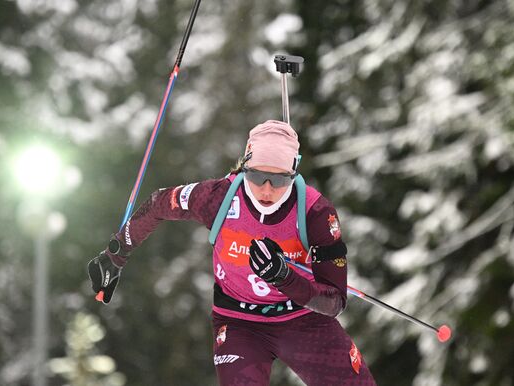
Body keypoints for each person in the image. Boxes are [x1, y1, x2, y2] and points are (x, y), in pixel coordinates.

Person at [88, 120, 376, 385]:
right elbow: (158, 203)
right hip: (239, 322)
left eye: (279, 180)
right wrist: (116, 254)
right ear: (245, 167)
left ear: (294, 172)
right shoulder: (217, 197)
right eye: (257, 176)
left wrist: (284, 277)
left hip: (302, 318)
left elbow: (334, 301)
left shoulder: (315, 212)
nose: (266, 189)